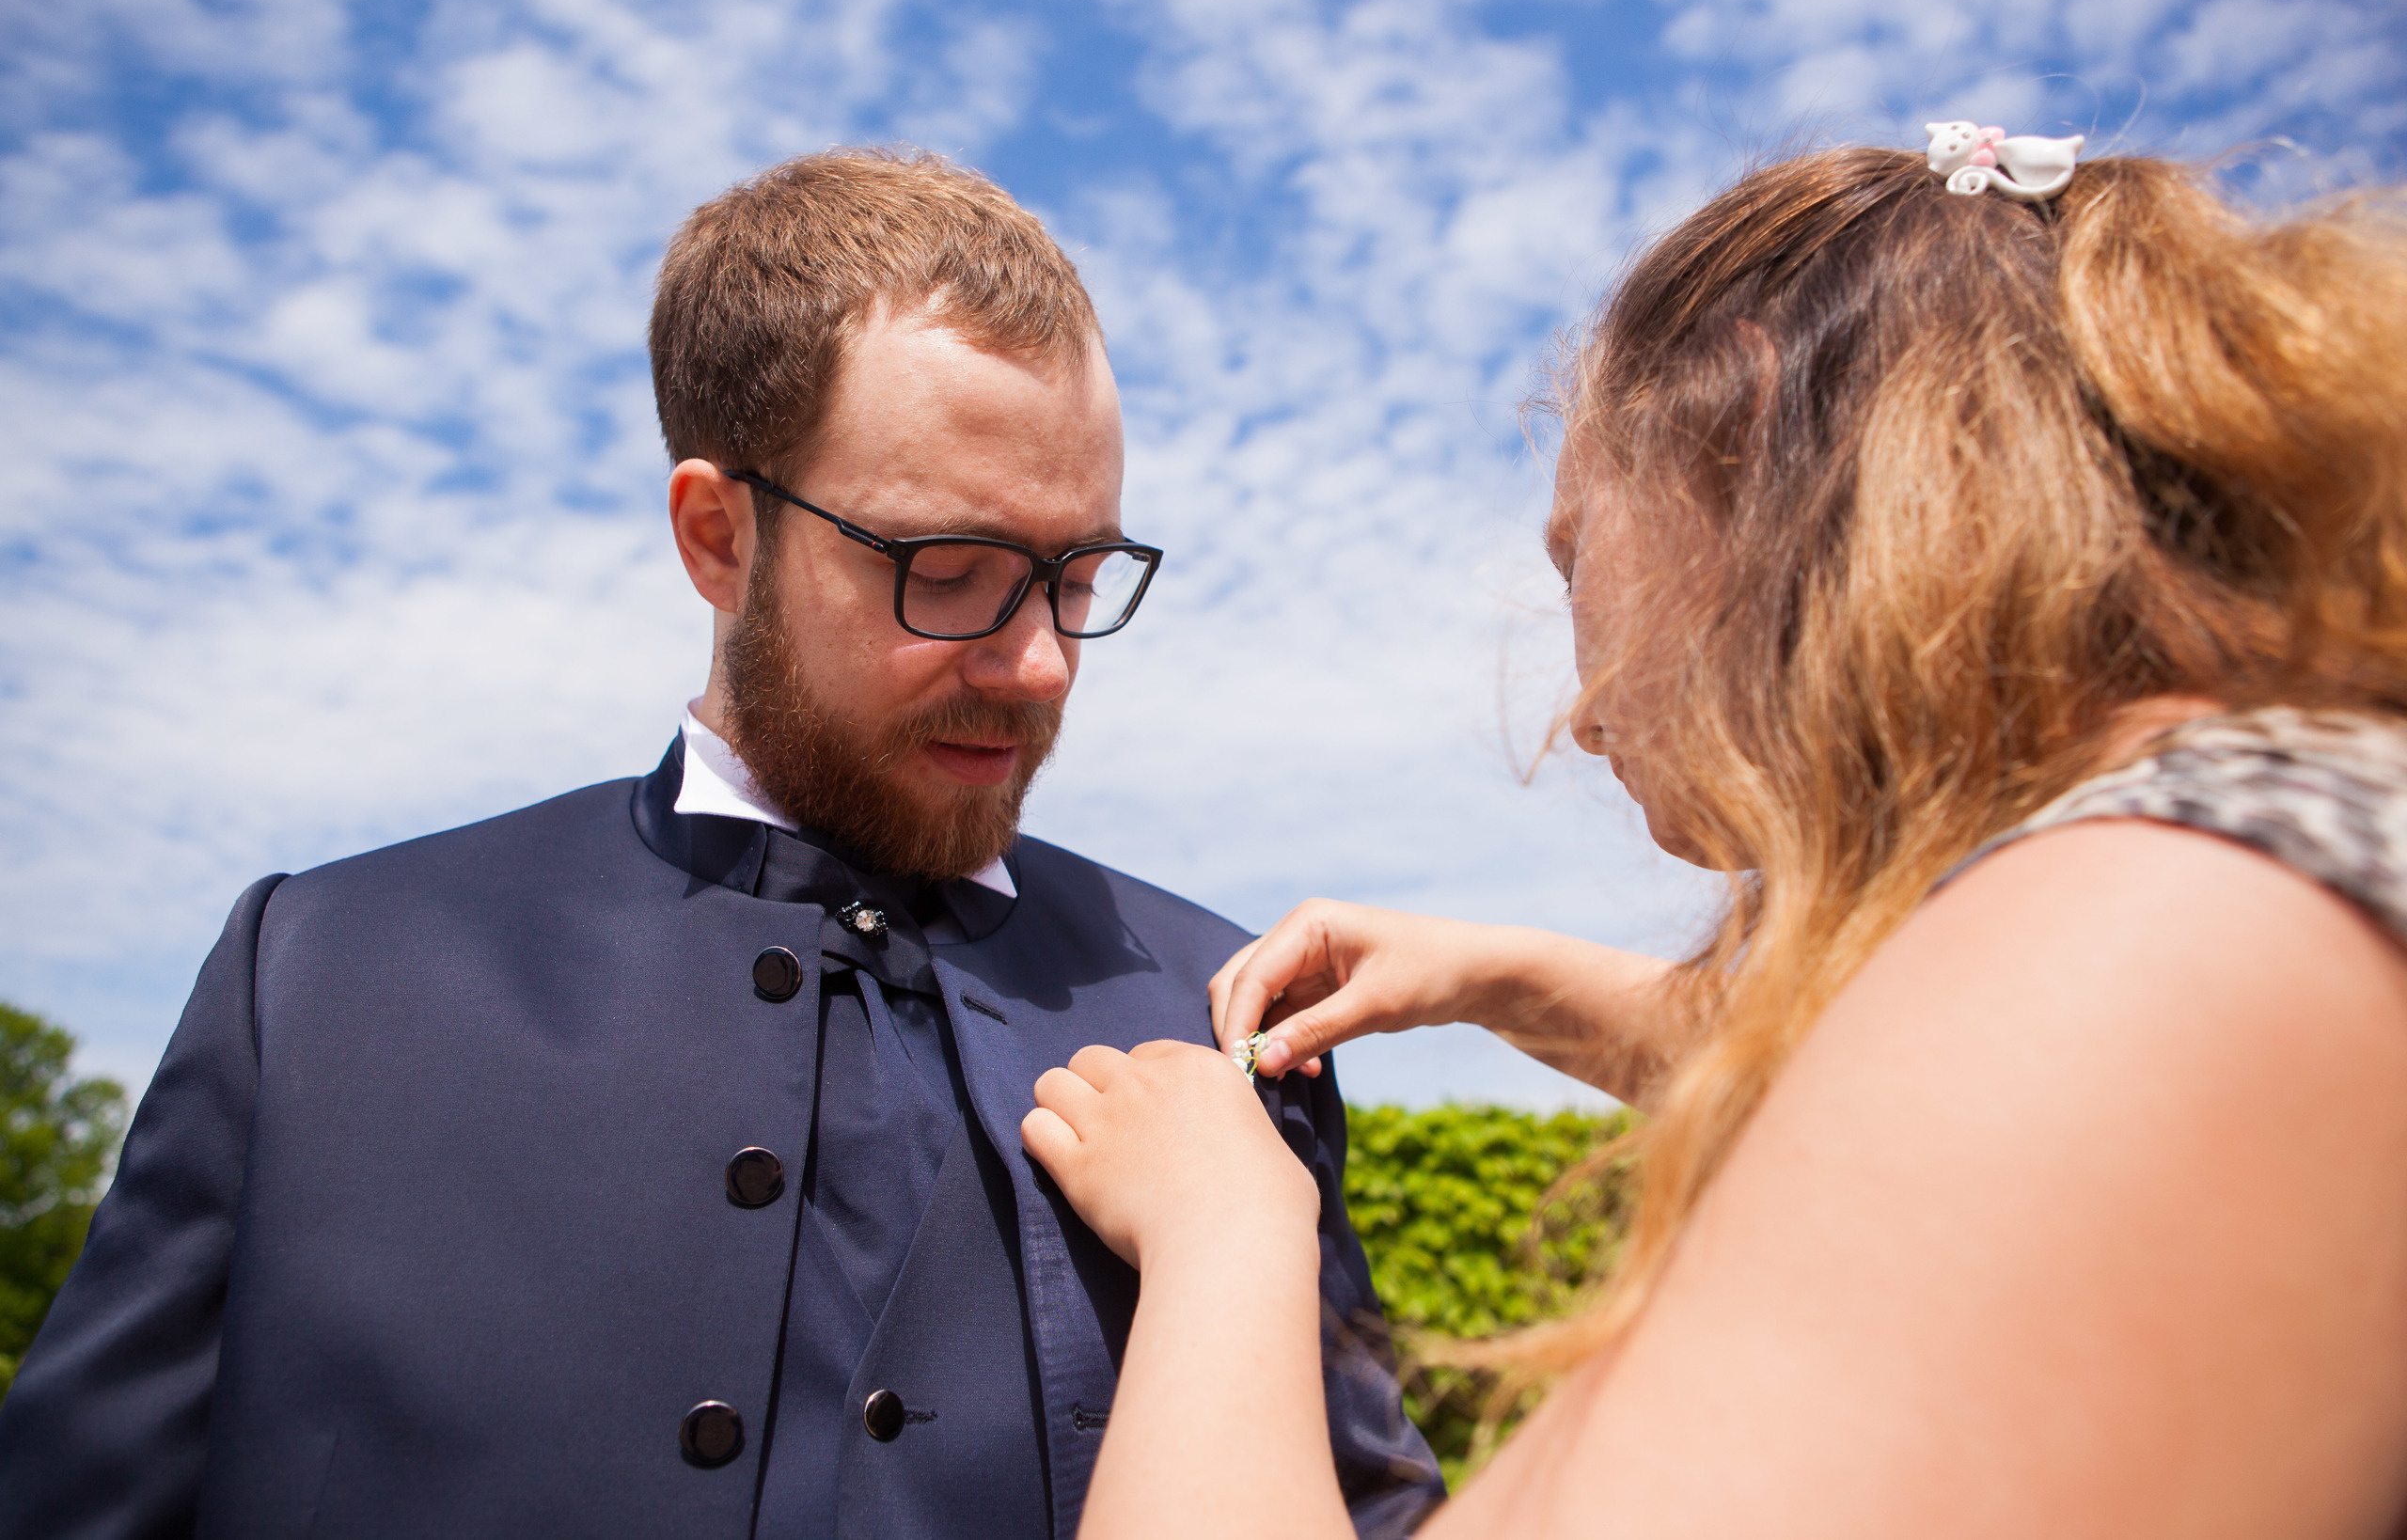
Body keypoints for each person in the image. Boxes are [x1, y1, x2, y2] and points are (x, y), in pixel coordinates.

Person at [0, 150, 1441, 1539]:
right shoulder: (316, 974)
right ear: (717, 539)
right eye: (951, 574)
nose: (1044, 665)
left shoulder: (1224, 1005)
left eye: (1079, 576)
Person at [1021, 137, 2407, 1538]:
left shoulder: (2148, 931)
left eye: (1577, 548)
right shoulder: (2245, 835)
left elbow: (1989, 1066)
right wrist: (1503, 976)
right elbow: (1850, 1069)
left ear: (1746, 447)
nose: (1578, 709)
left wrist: (1224, 1235)